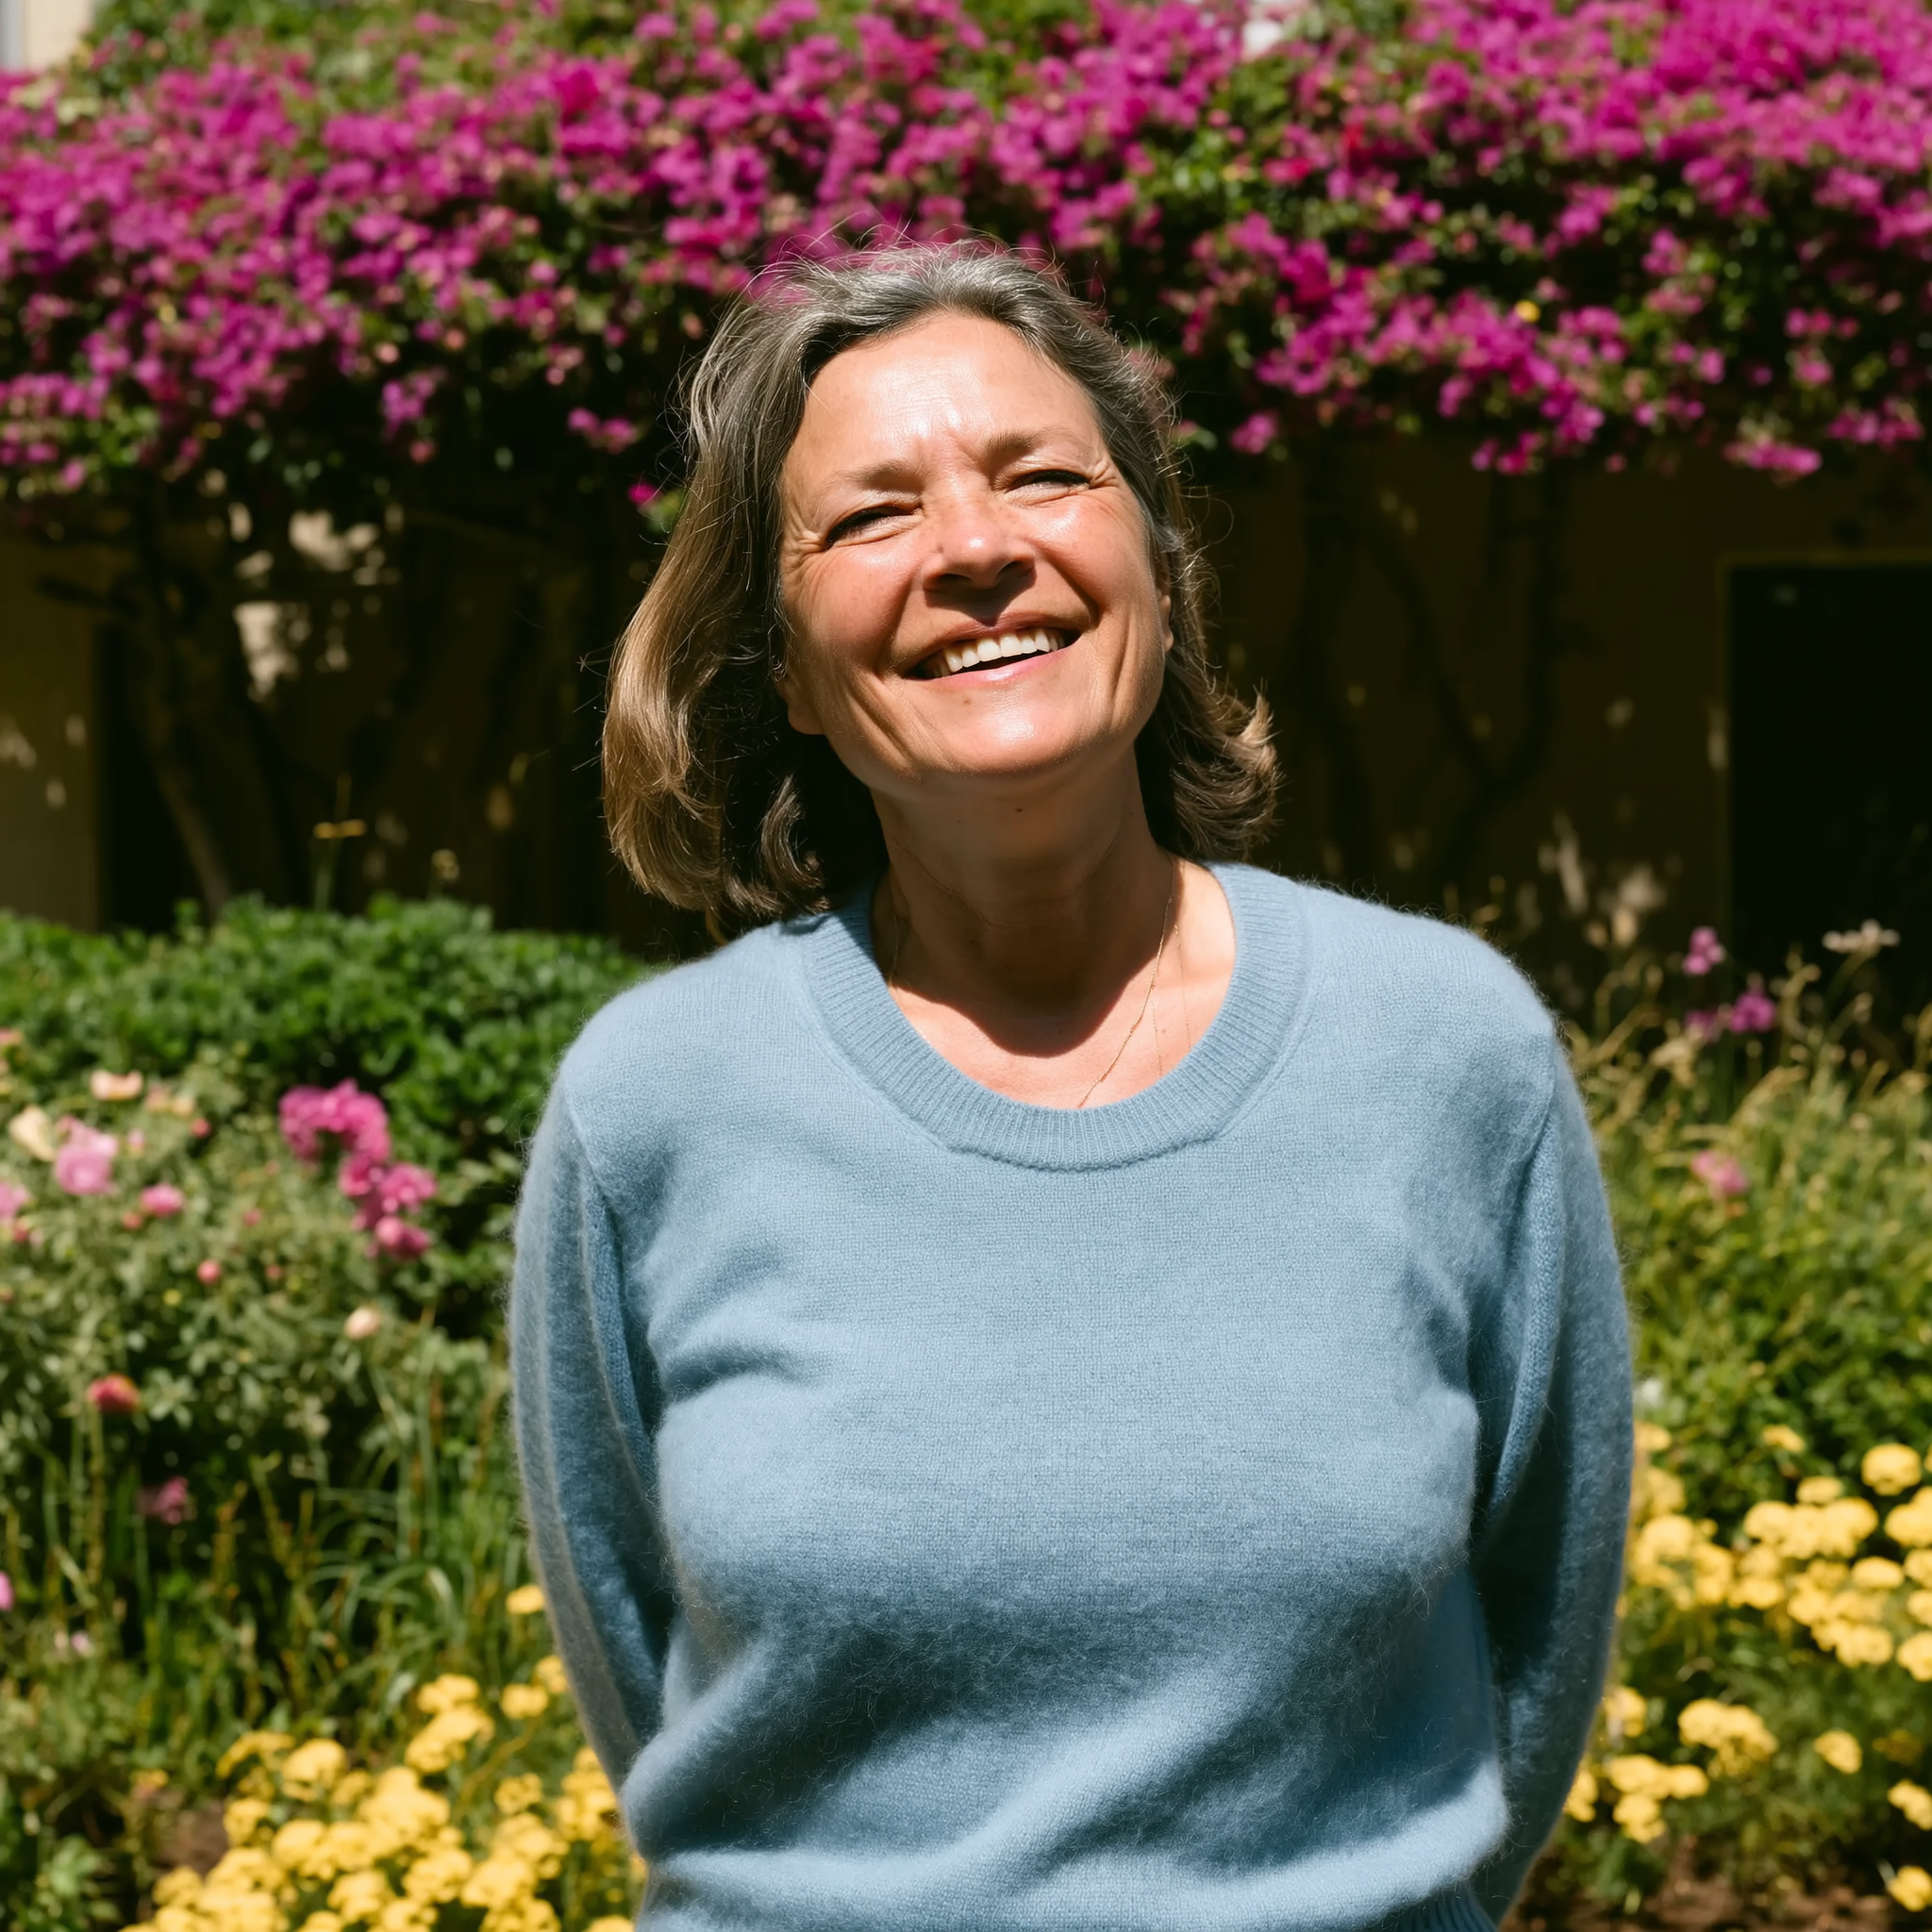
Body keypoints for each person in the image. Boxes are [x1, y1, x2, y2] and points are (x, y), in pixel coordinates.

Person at [510, 242, 1631, 1932]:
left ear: (1160, 578)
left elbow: (1538, 1638)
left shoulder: (1448, 1054)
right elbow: (635, 1667)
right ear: (792, 669)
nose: (976, 548)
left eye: (1043, 476)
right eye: (872, 516)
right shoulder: (652, 1109)